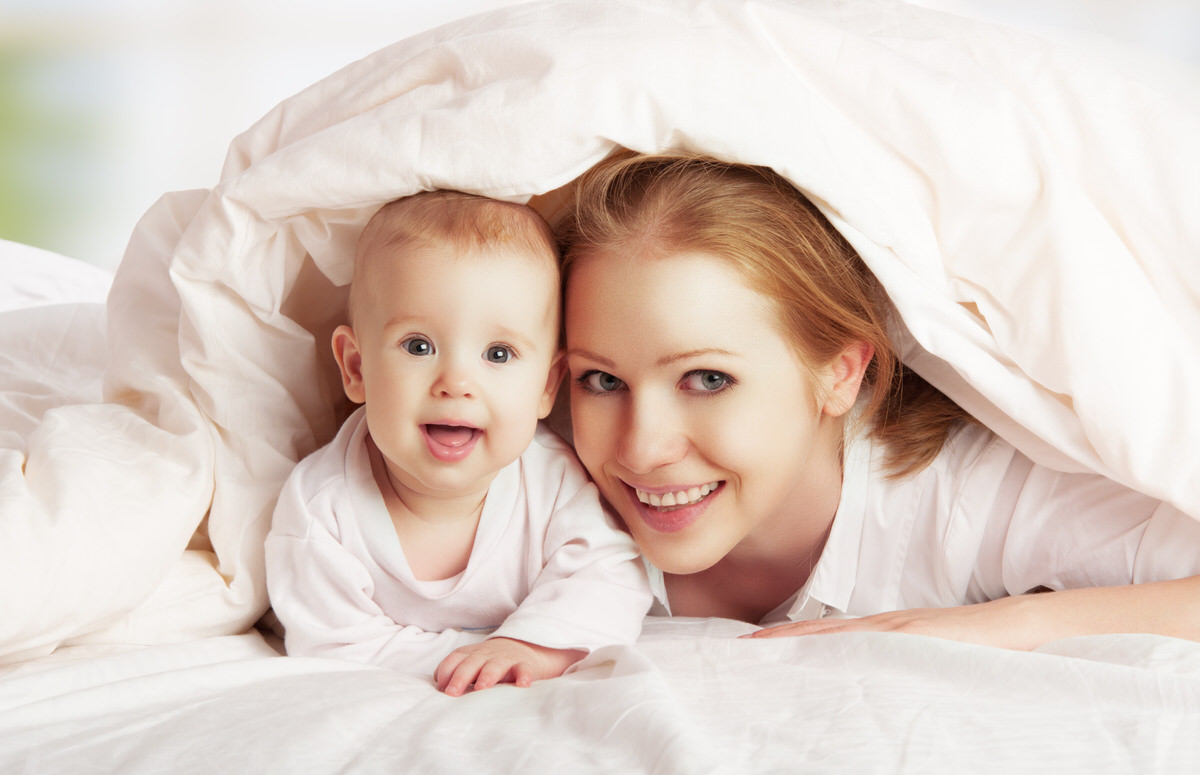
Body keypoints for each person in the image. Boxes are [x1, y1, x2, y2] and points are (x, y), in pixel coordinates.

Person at [556, 151, 1200, 650]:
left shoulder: (955, 496)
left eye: (708, 379)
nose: (641, 448)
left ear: (840, 372)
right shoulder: (529, 469)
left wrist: (992, 625)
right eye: (603, 381)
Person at [265, 190, 652, 696]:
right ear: (356, 368)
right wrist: (465, 660)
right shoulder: (321, 509)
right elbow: (336, 646)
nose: (456, 382)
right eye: (418, 346)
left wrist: (530, 647)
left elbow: (612, 578)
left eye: (498, 353)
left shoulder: (553, 482)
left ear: (546, 386)